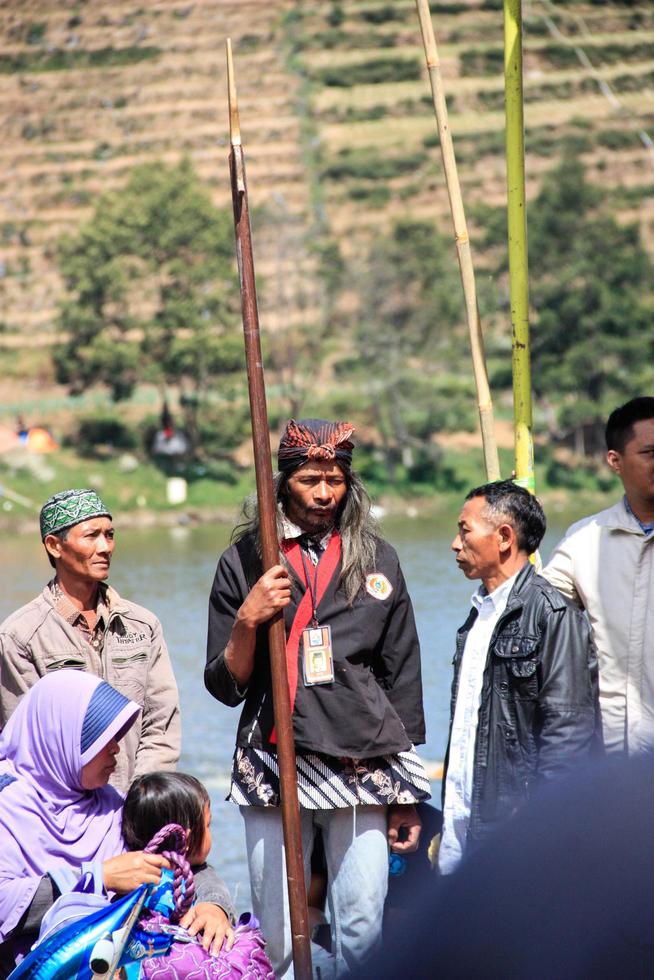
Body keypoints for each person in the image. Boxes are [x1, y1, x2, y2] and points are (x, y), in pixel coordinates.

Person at [205, 418, 430, 978]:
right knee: (281, 927)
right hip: (272, 755)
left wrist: (405, 795)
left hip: (362, 761)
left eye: (334, 479)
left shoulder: (379, 558)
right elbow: (224, 685)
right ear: (283, 482)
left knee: (361, 922)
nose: (324, 493)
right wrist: (249, 620)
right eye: (310, 479)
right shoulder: (245, 560)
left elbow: (401, 677)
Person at [438, 479, 600, 874]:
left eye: (465, 530)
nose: (455, 544)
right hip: (464, 820)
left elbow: (568, 732)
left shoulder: (553, 615)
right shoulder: (478, 615)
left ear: (505, 537)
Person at [0, 487, 181, 792]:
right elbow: (29, 744)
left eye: (109, 535)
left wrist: (142, 797)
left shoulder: (142, 626)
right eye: (91, 536)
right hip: (63, 812)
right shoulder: (21, 636)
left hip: (138, 806)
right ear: (54, 546)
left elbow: (161, 722)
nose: (105, 547)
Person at [0, 670, 170, 975]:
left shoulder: (113, 805)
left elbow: (182, 854)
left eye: (116, 737)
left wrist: (214, 905)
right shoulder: (7, 807)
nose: (116, 748)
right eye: (101, 738)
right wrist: (97, 877)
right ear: (60, 740)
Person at [543, 397, 654, 755]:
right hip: (606, 752)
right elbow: (538, 613)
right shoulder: (584, 540)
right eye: (650, 453)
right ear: (615, 461)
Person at [122, 772, 236, 954]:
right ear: (187, 838)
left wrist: (215, 908)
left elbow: (212, 889)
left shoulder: (199, 874)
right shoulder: (132, 874)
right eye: (208, 825)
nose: (210, 832)